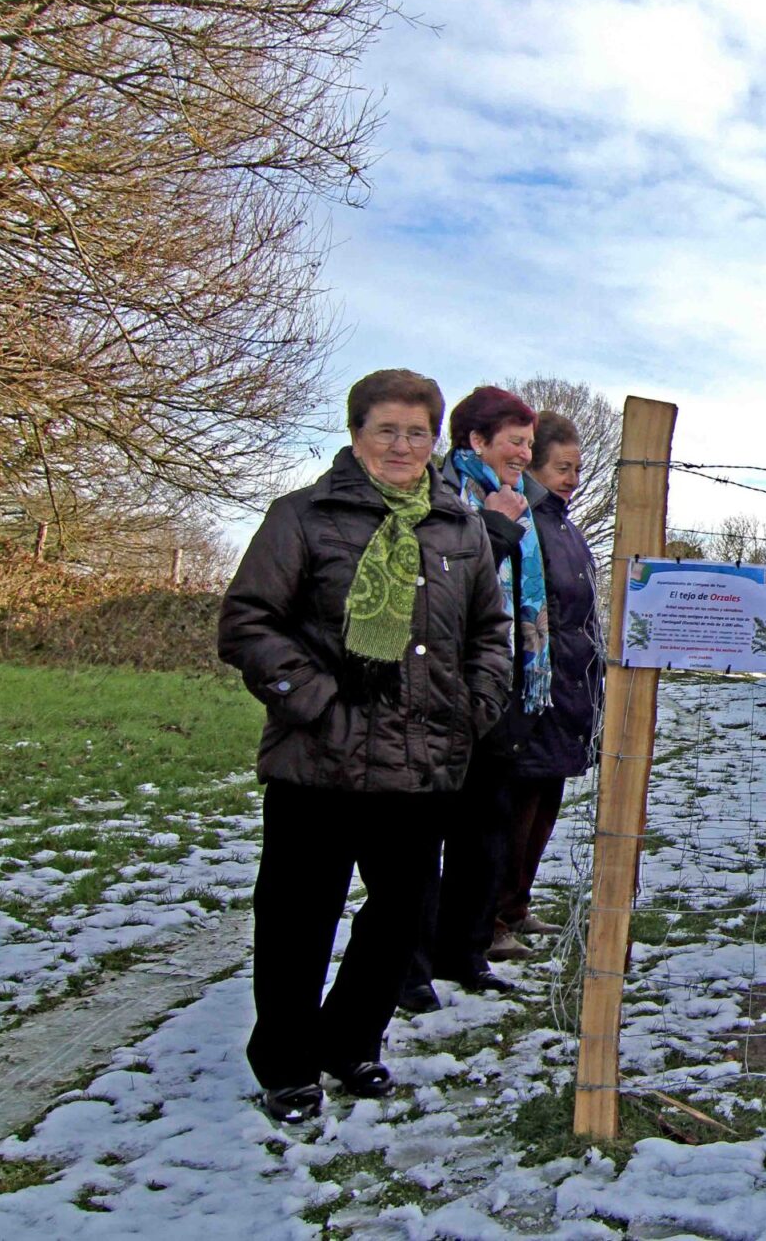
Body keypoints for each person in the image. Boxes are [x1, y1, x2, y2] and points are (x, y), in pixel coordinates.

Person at [218, 369, 511, 1123]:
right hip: (318, 760)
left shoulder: (460, 528)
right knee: (297, 917)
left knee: (397, 917)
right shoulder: (304, 517)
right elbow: (249, 622)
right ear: (356, 434)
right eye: (387, 429)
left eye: (418, 432)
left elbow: (489, 634)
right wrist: (317, 703)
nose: (402, 445)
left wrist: (474, 709)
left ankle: (352, 1041)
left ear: (435, 441)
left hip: (422, 763)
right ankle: (286, 1063)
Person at [400, 385, 545, 1006]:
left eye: (530, 443)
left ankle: (466, 949)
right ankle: (407, 965)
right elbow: (443, 586)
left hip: (503, 683)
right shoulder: (441, 497)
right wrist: (498, 529)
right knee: (422, 835)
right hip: (444, 689)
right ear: (475, 440)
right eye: (514, 440)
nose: (524, 452)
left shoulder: (518, 503)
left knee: (486, 831)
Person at [493, 411, 605, 948]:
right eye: (564, 467)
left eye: (578, 469)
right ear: (535, 465)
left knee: (544, 803)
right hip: (531, 685)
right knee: (513, 808)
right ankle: (488, 917)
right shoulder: (522, 518)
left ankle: (515, 905)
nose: (574, 479)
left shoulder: (563, 523)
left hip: (569, 685)